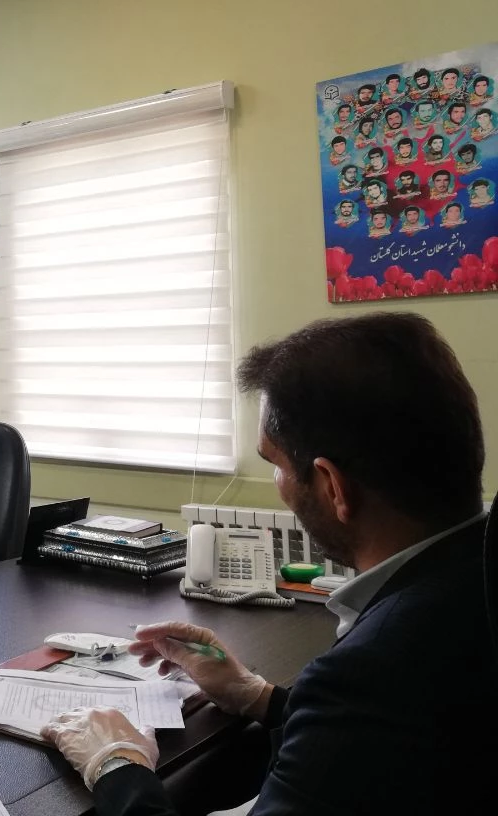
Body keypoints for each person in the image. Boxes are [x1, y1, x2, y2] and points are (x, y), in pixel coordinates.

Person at [42, 313, 496, 816]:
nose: (279, 483)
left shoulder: (379, 670)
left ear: (332, 486)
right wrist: (257, 696)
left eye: (275, 463)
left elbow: (376, 713)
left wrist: (115, 765)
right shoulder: (471, 579)